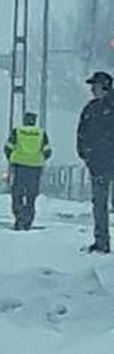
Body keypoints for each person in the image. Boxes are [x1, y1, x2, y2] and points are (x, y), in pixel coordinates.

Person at [77, 71, 114, 253]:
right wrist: (86, 155)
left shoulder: (96, 109)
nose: (92, 89)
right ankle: (101, 242)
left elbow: (84, 134)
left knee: (101, 205)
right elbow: (82, 134)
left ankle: (102, 241)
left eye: (95, 85)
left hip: (103, 162)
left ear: (105, 86)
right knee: (99, 205)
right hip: (98, 165)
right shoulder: (90, 108)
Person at [4, 112, 52, 230]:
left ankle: (19, 217)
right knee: (31, 196)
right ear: (34, 121)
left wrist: (12, 158)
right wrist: (38, 158)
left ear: (24, 120)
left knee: (17, 194)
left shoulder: (17, 131)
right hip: (35, 167)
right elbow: (47, 151)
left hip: (20, 166)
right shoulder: (41, 133)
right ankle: (28, 220)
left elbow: (8, 148)